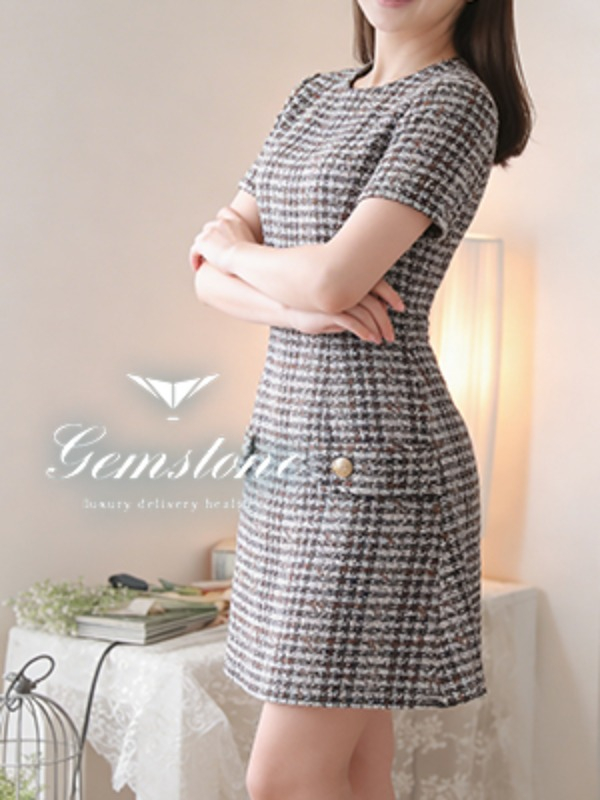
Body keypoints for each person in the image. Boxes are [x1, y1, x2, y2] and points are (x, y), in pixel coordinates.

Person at [189, 0, 532, 798]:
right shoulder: (313, 96)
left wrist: (246, 254)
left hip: (378, 469)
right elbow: (208, 276)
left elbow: (329, 275)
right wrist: (298, 309)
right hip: (287, 457)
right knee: (354, 765)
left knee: (282, 779)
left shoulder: (454, 100)